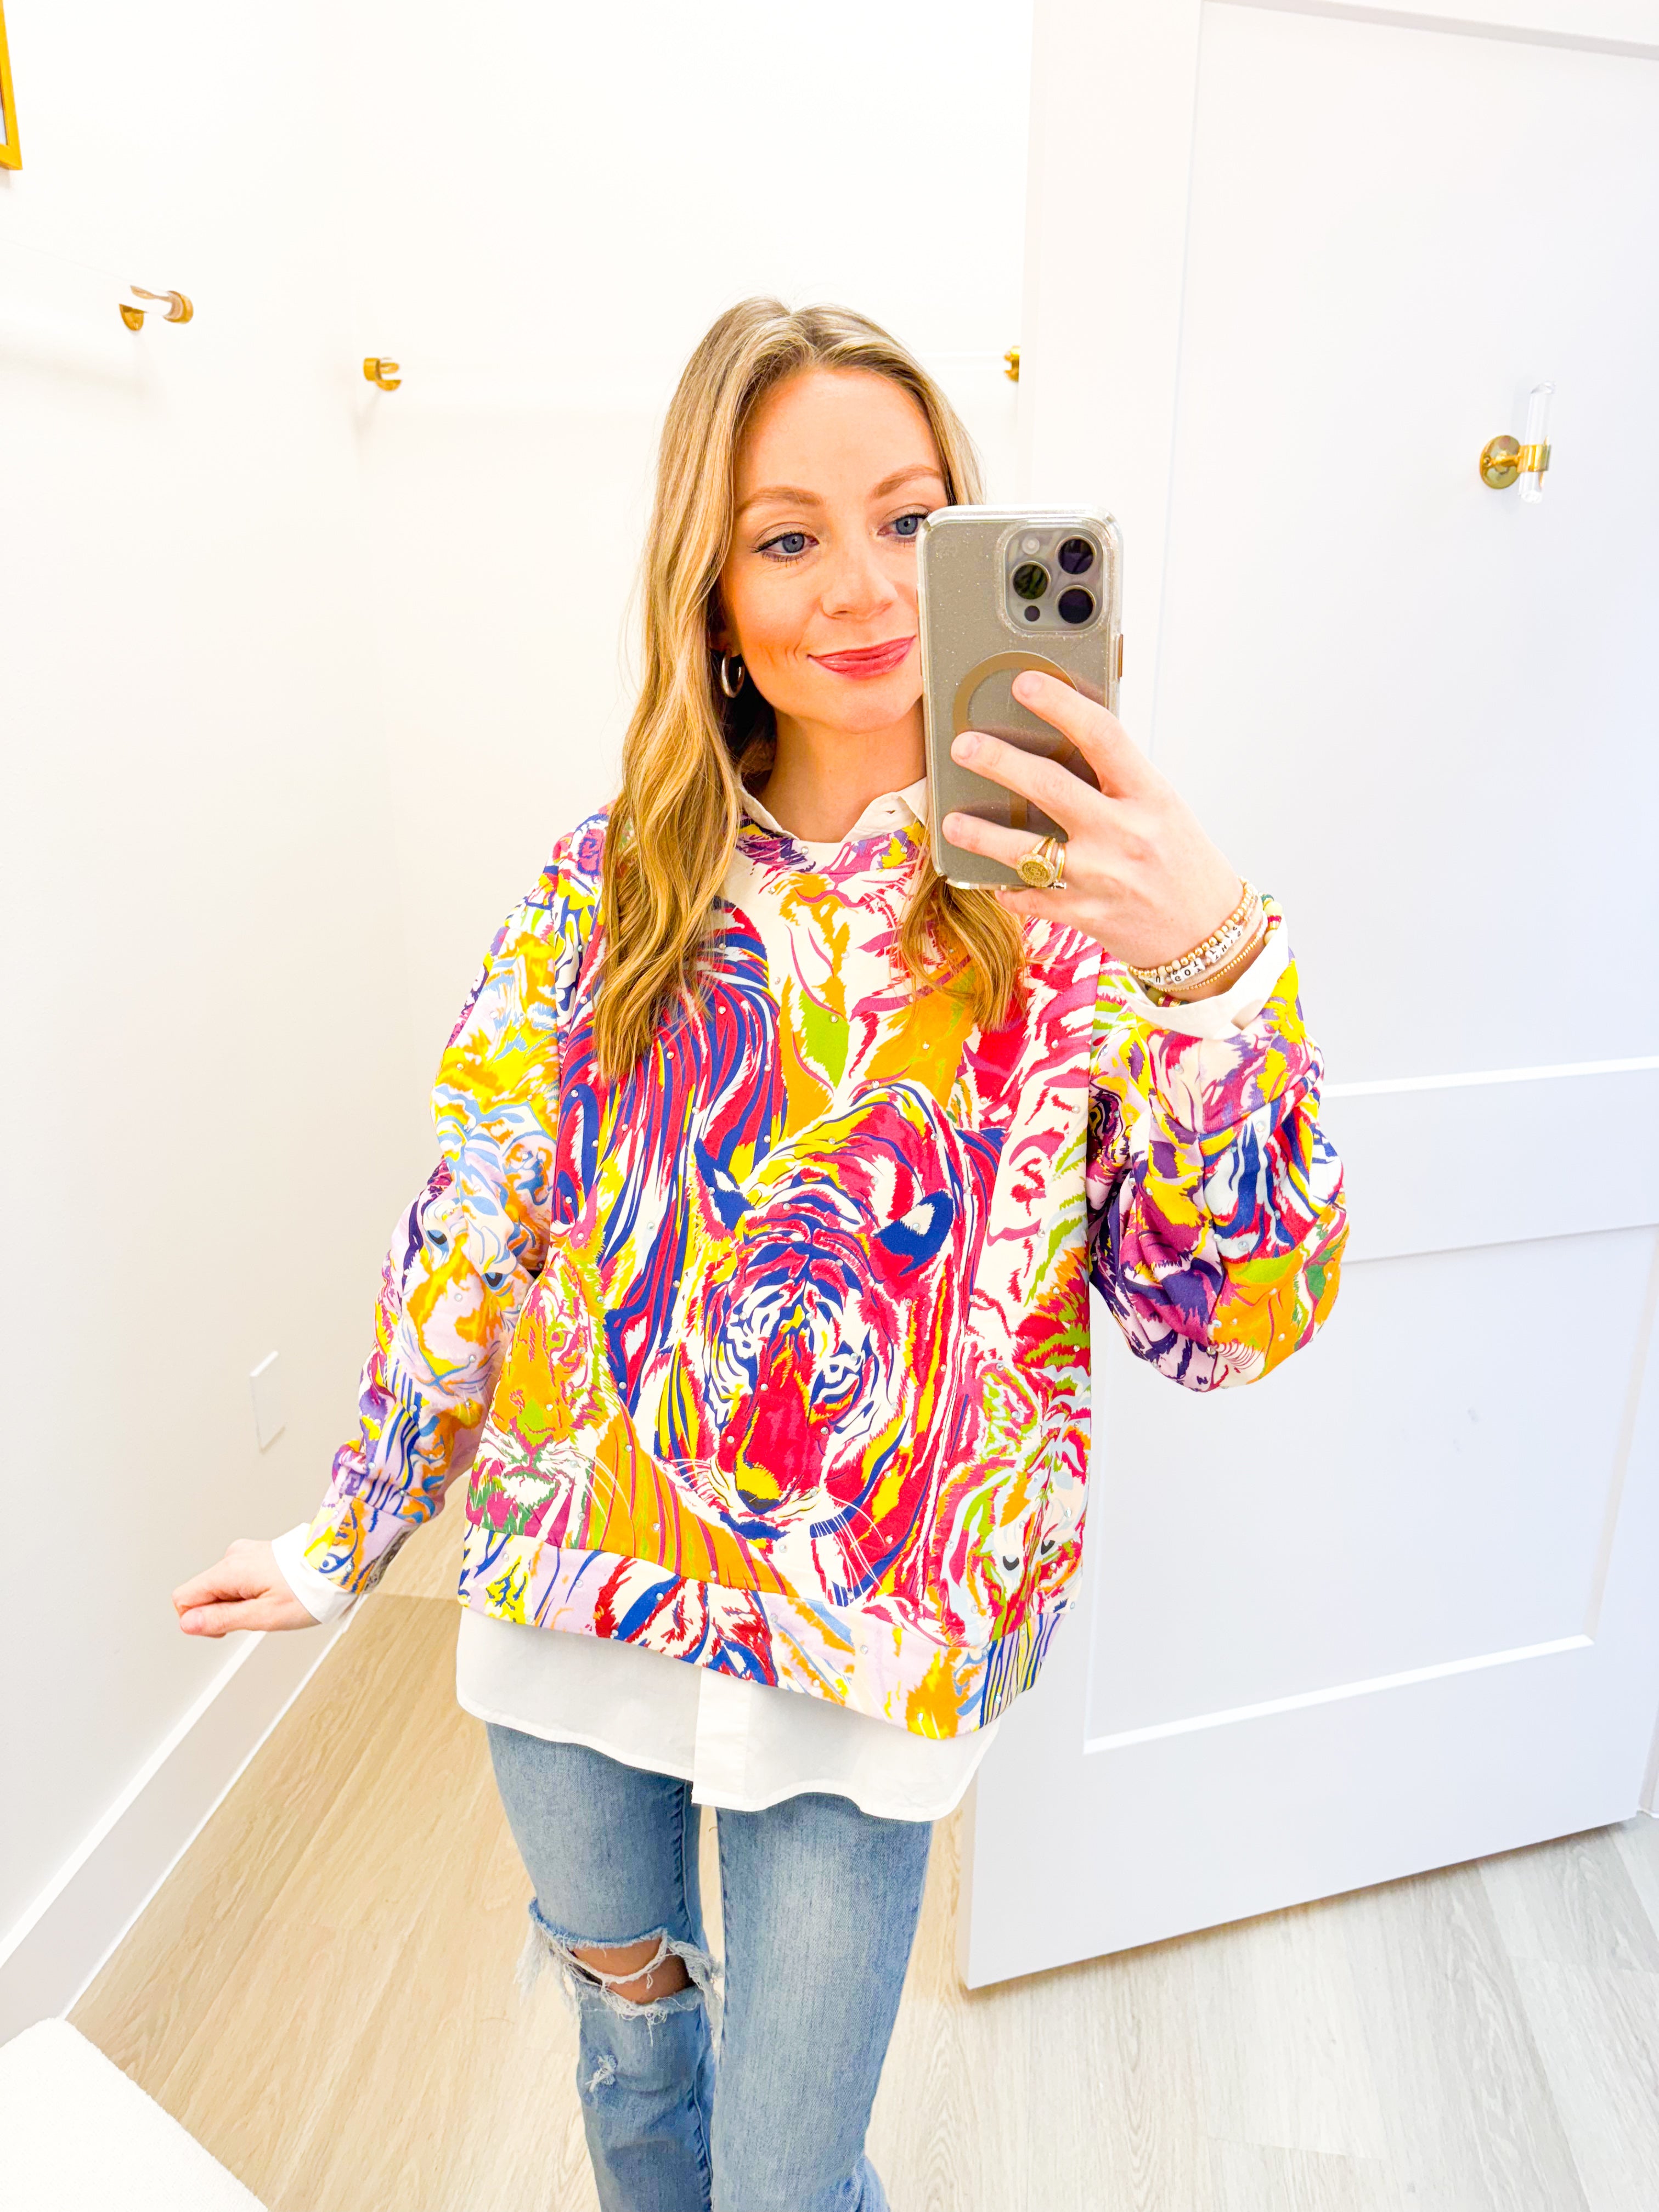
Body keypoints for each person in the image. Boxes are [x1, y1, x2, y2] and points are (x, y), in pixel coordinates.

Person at [174, 298, 1347, 2212]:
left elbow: (1227, 1326)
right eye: (788, 537)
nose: (863, 588)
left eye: (911, 521)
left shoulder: (1087, 911)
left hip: (862, 1664)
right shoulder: (609, 882)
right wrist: (346, 1532)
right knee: (631, 2056)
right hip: (574, 1599)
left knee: (791, 2182)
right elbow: (473, 1220)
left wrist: (1215, 961)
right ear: (712, 595)